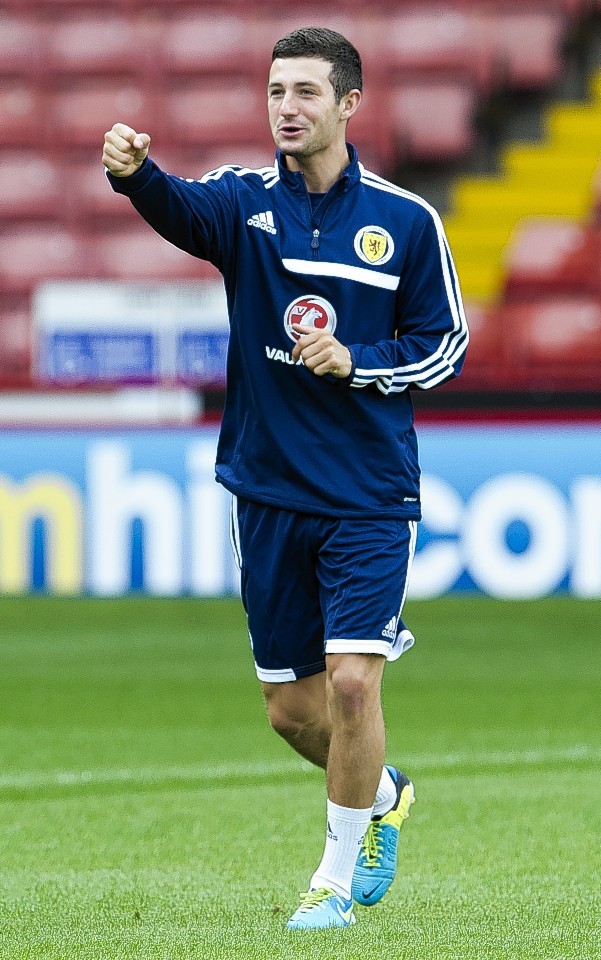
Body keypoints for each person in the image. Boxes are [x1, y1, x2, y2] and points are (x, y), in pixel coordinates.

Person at [102, 26, 468, 930]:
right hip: (266, 490)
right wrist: (134, 174)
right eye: (275, 92)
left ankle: (333, 883)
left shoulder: (406, 221)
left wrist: (358, 362)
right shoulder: (241, 203)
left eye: (306, 92)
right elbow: (183, 209)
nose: (287, 109)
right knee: (291, 710)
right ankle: (383, 793)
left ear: (350, 104)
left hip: (370, 494)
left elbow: (445, 346)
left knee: (352, 685)